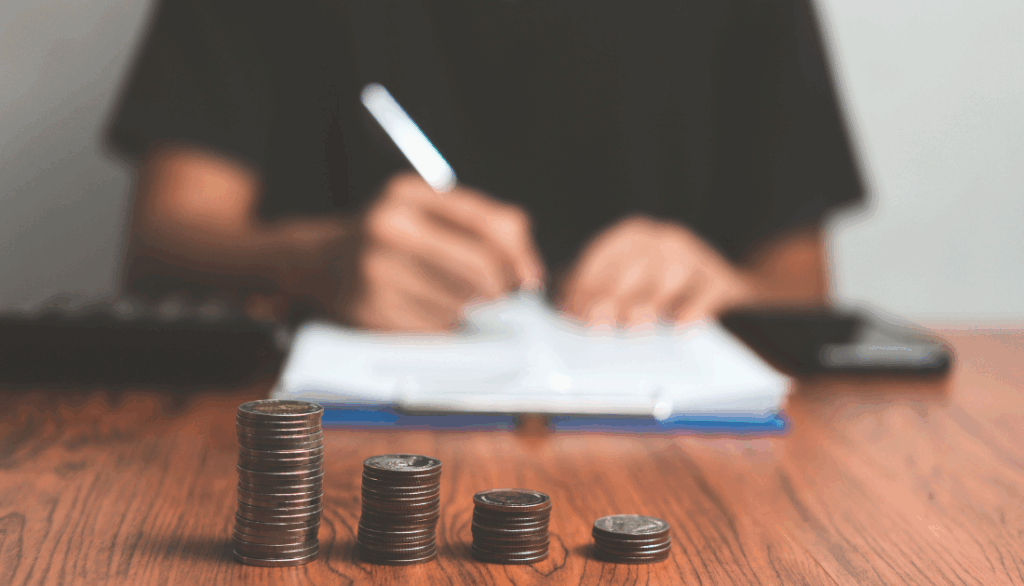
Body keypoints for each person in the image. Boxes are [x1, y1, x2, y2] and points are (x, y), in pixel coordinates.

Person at [108, 0, 863, 331]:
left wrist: (722, 292)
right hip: (316, 455)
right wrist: (314, 262)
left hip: (686, 464)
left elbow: (800, 289)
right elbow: (162, 243)